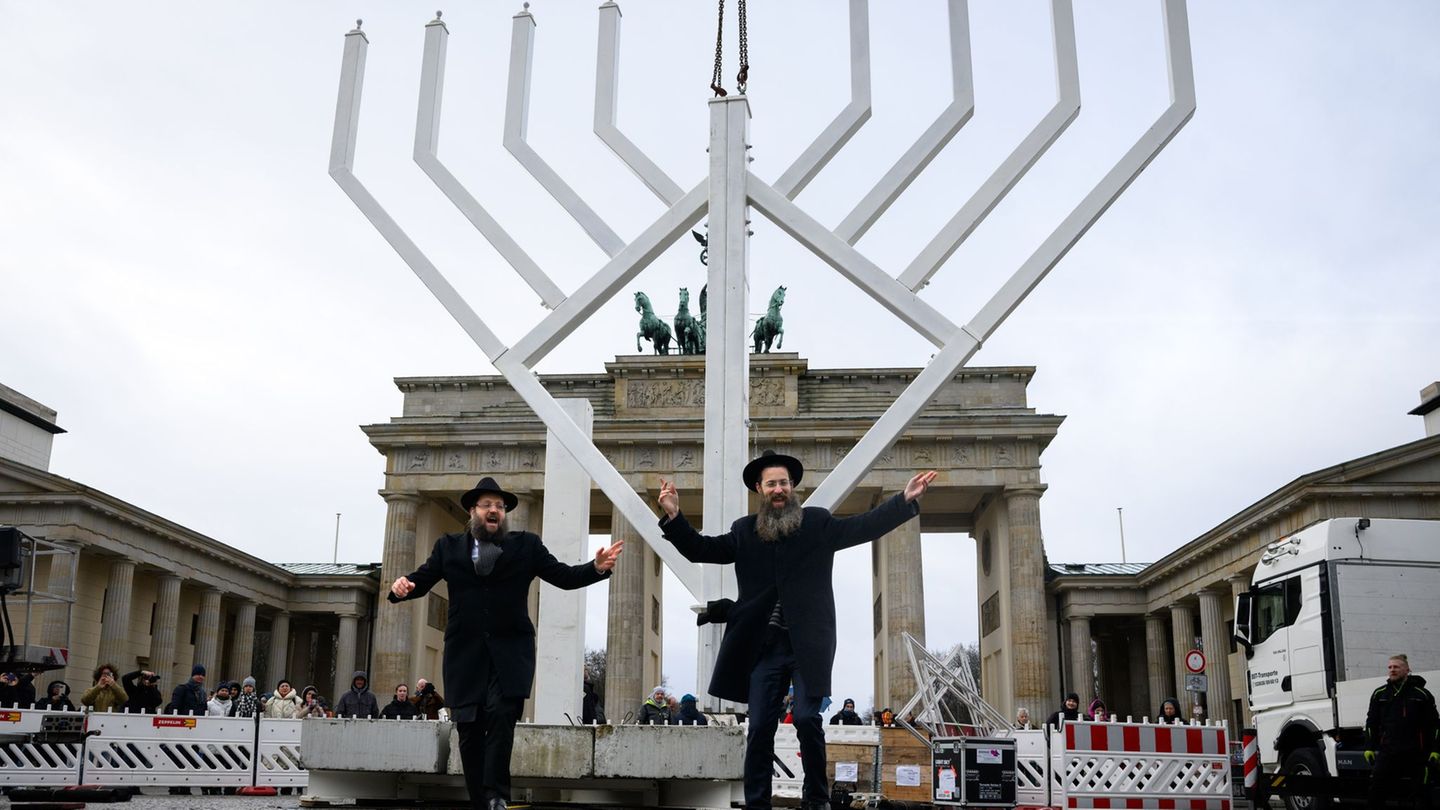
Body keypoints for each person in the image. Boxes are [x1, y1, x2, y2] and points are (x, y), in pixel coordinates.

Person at [657, 451, 936, 810]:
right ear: (759, 488)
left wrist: (903, 501)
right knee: (759, 727)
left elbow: (862, 526)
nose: (779, 489)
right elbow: (701, 549)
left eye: (784, 483)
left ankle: (816, 799)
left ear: (792, 488)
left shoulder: (817, 524)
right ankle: (757, 803)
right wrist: (674, 516)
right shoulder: (744, 531)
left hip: (808, 645)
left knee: (806, 718)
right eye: (772, 483)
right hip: (763, 648)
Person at [388, 475, 622, 810]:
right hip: (465, 656)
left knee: (500, 716)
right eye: (487, 505)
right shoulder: (448, 547)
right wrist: (402, 586)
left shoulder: (526, 546)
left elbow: (562, 576)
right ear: (473, 510)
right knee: (468, 731)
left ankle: (497, 795)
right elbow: (420, 580)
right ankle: (481, 801)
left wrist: (596, 568)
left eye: (499, 505)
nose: (494, 510)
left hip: (511, 653)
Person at [1363, 653, 1439, 810]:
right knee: (1376, 793)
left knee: (1421, 796)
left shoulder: (1421, 695)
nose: (1392, 670)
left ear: (1407, 670)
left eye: (1396, 667)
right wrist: (1369, 747)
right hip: (1388, 753)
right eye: (1390, 667)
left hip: (1416, 754)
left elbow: (1434, 726)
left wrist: (1436, 750)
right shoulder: (1379, 694)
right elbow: (1371, 723)